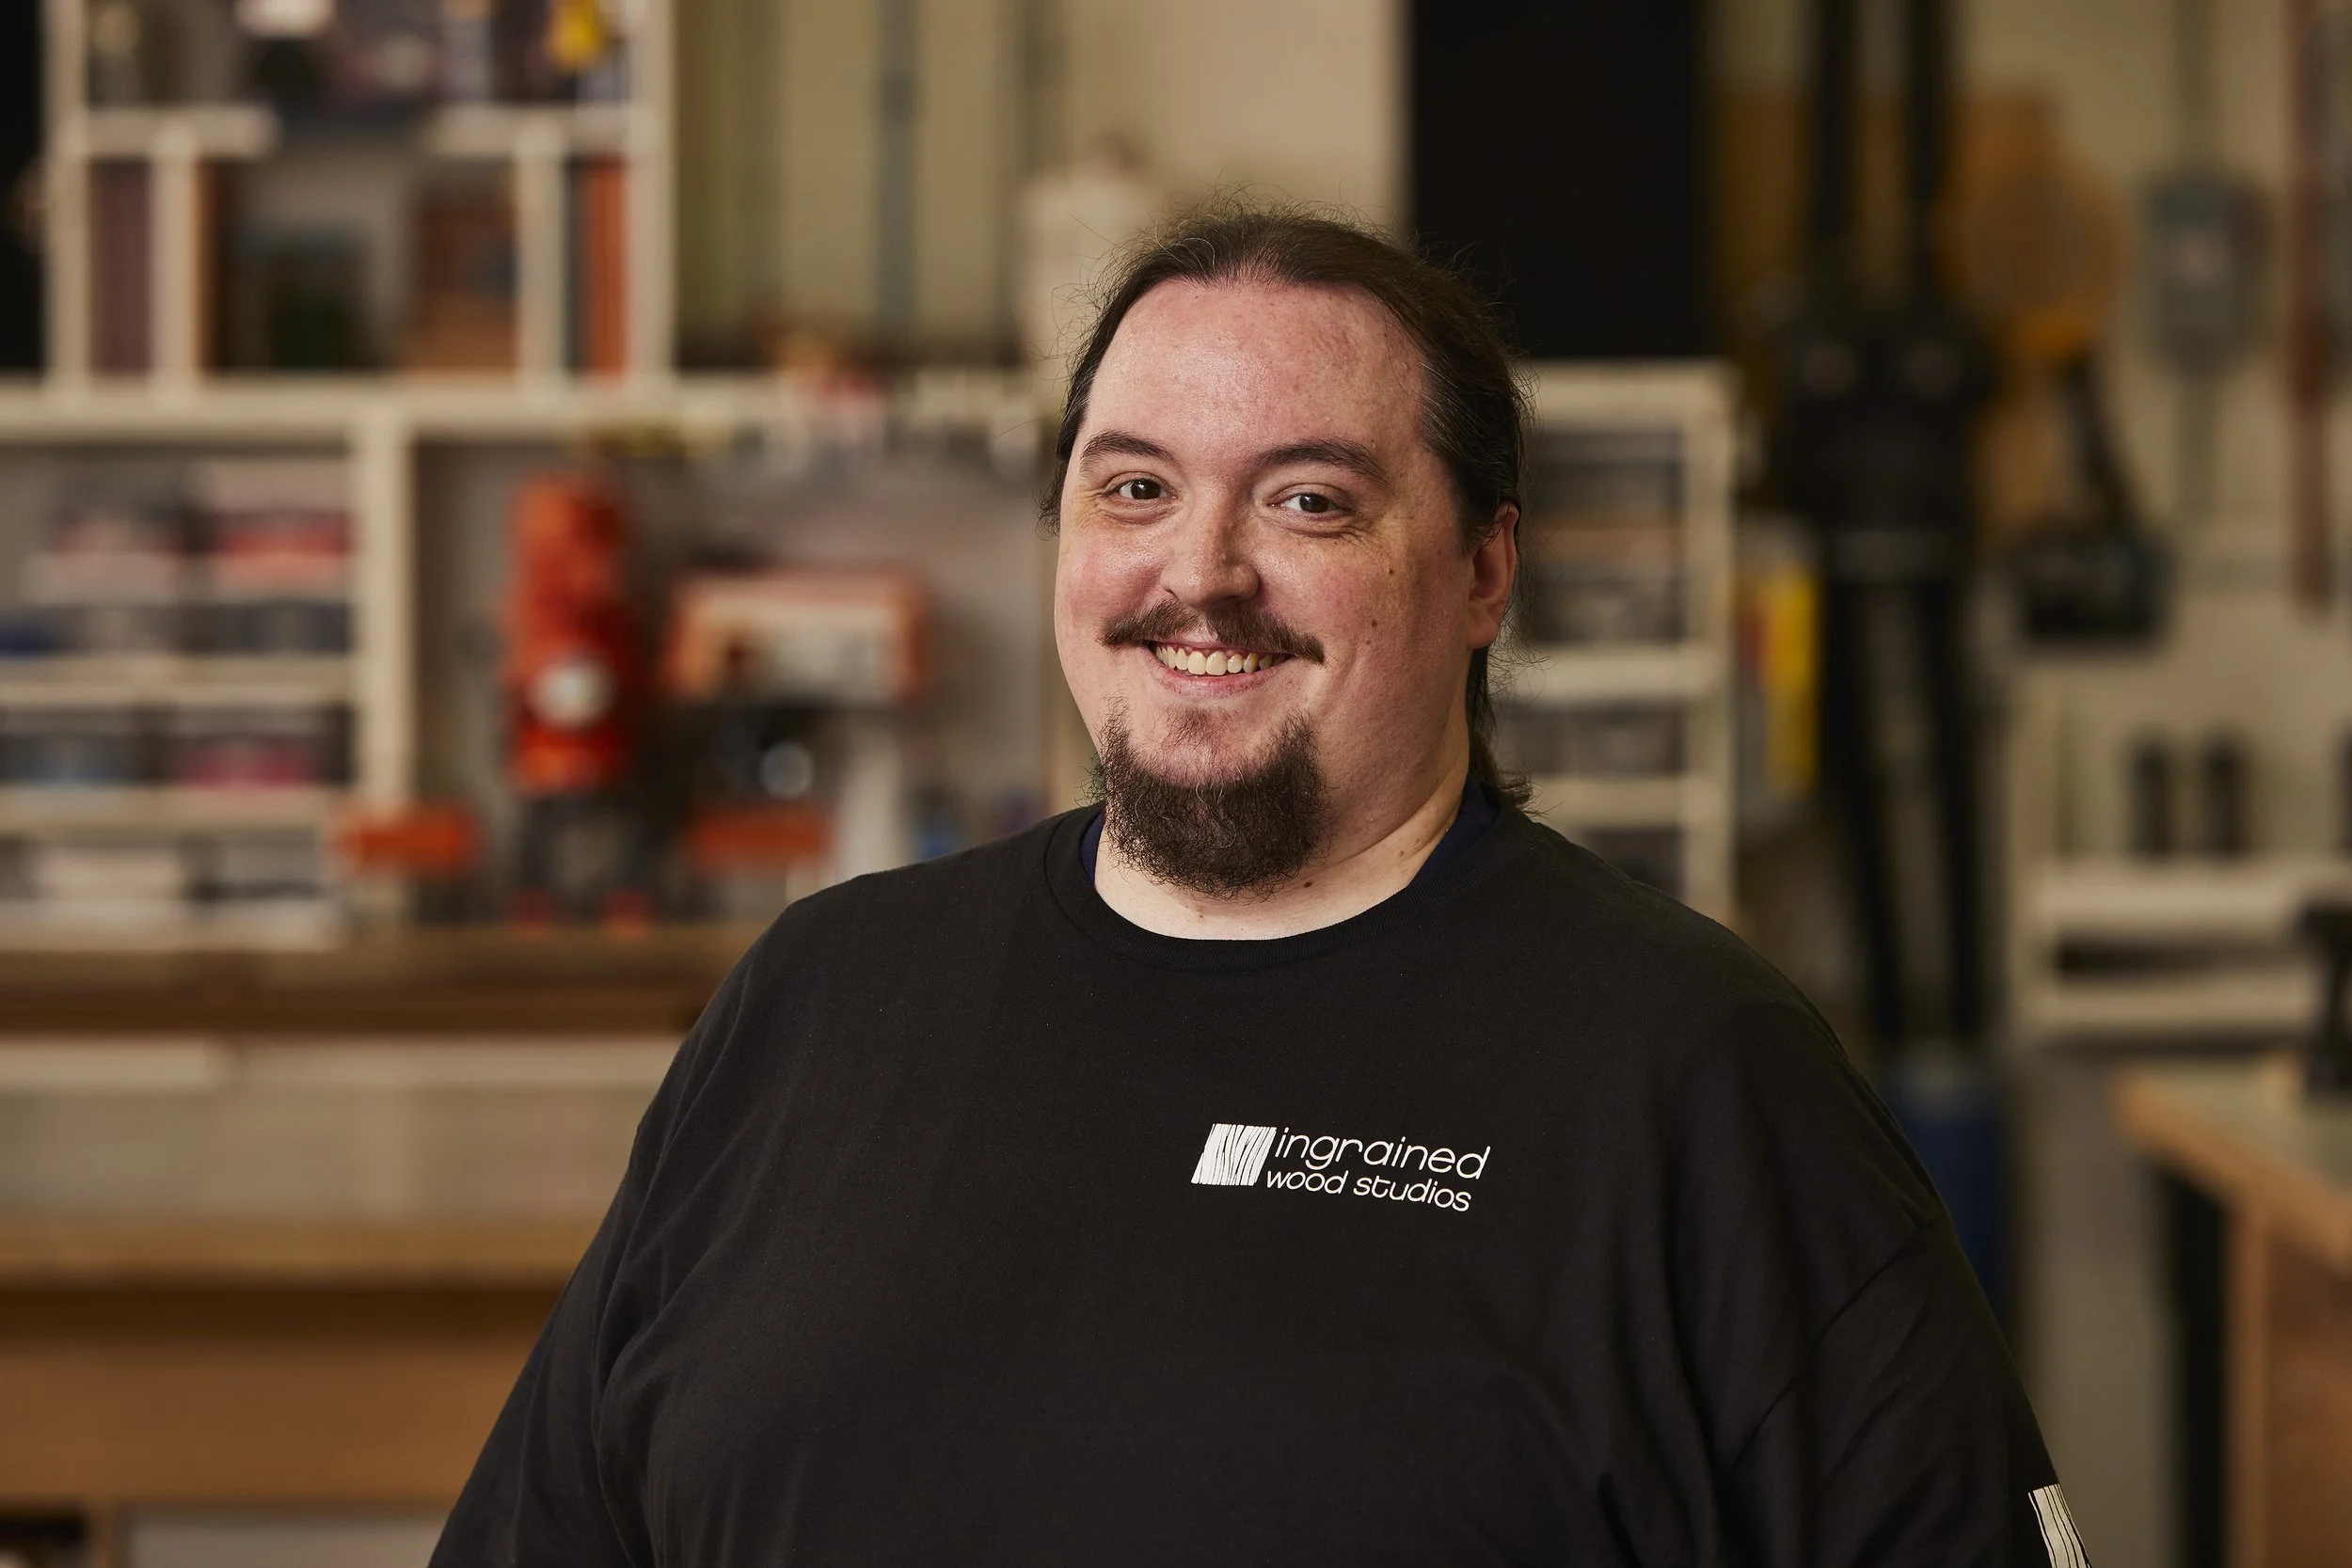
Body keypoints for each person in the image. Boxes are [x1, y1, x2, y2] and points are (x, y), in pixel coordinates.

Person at [432, 206, 2089, 1567]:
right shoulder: (811, 1005)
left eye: (1309, 500)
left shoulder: (1699, 1075)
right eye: (1134, 486)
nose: (1199, 572)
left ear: (1486, 570)